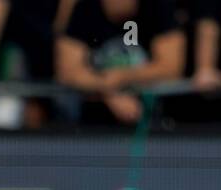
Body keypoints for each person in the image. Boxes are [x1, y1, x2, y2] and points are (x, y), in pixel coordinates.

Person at [55, 0, 185, 125]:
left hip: (154, 123)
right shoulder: (85, 9)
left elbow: (171, 67)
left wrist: (122, 77)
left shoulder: (158, 8)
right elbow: (68, 72)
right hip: (93, 127)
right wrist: (108, 92)